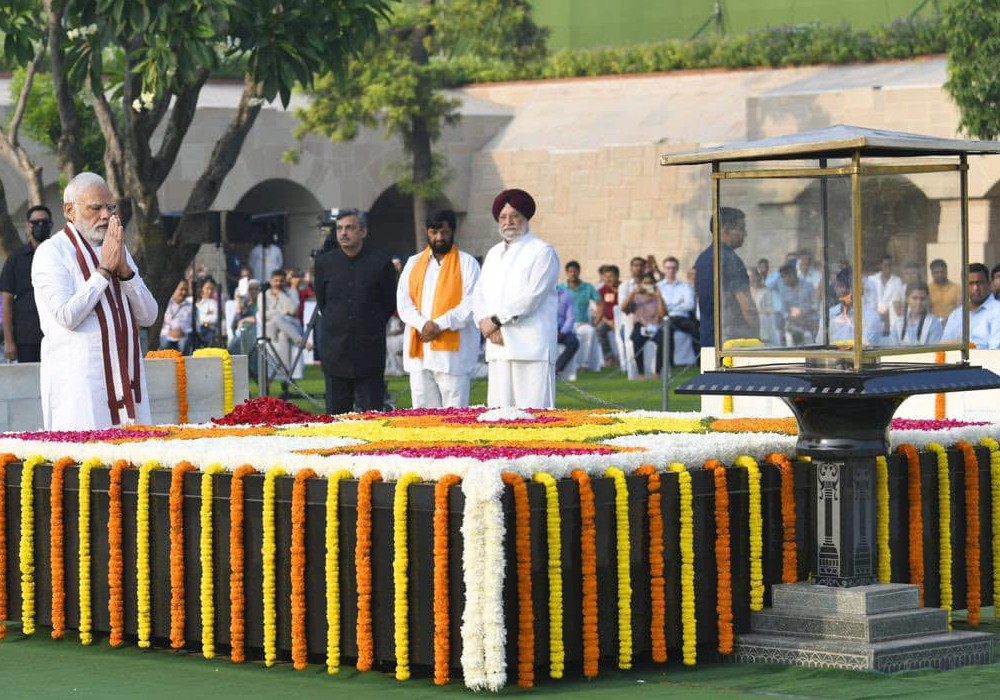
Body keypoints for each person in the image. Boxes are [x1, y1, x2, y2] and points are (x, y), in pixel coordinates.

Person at [32, 171, 158, 430]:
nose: (105, 216)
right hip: (81, 393)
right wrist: (103, 272)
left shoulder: (115, 249)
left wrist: (125, 272)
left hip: (127, 386)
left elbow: (149, 316)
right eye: (95, 208)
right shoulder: (51, 253)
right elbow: (67, 316)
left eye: (109, 208)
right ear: (70, 211)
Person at [473, 188, 559, 409]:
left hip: (532, 348)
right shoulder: (492, 254)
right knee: (499, 417)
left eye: (514, 216)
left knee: (535, 418)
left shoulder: (542, 251)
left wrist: (495, 321)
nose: (508, 222)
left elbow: (532, 297)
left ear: (526, 218)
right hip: (498, 345)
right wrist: (485, 325)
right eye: (503, 217)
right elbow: (479, 293)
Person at [314, 208, 397, 413]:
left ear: (363, 232)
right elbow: (323, 302)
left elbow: (388, 302)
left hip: (369, 350)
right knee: (336, 419)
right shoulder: (324, 263)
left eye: (350, 228)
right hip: (335, 352)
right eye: (340, 228)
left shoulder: (381, 263)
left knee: (373, 416)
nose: (343, 233)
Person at [396, 209, 481, 408]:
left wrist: (439, 325)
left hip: (452, 358)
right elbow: (403, 302)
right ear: (427, 232)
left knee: (455, 416)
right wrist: (423, 324)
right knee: (423, 415)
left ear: (453, 231)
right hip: (420, 353)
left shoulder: (467, 264)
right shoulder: (413, 262)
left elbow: (471, 305)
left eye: (444, 232)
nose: (439, 237)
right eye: (434, 232)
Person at [694, 206, 759, 348]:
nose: (745, 234)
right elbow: (746, 305)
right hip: (733, 340)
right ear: (725, 229)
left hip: (709, 337)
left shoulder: (702, 259)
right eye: (741, 228)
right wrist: (756, 336)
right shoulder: (730, 259)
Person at [1, 205, 52, 363]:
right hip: (27, 338)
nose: (40, 226)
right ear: (28, 226)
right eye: (35, 222)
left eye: (44, 222)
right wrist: (9, 341)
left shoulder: (62, 256)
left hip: (57, 336)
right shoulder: (15, 260)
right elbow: (7, 302)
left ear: (51, 224)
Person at [259, 268, 307, 394]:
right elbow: (264, 314)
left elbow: (293, 310)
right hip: (271, 329)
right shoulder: (263, 295)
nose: (278, 283)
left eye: (281, 281)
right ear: (271, 281)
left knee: (283, 335)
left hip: (286, 329)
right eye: (276, 281)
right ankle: (301, 341)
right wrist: (280, 314)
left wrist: (280, 294)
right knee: (277, 318)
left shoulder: (289, 292)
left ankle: (286, 374)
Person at [942, 263, 1000, 349]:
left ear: (989, 284)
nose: (975, 288)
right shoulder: (956, 315)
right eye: (971, 283)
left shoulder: (997, 311)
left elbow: (995, 350)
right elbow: (943, 346)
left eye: (980, 283)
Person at [558, 260, 600, 373]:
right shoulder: (560, 288)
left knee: (590, 331)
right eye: (570, 271)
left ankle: (584, 365)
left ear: (579, 272)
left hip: (582, 323)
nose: (572, 273)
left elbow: (600, 303)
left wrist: (597, 321)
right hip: (564, 325)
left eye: (575, 271)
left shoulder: (588, 287)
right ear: (566, 273)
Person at [623, 271, 667, 376]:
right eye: (645, 283)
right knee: (636, 339)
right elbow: (624, 308)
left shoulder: (658, 298)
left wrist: (659, 296)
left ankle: (657, 372)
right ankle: (641, 373)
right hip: (640, 325)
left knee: (663, 340)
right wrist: (633, 293)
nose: (647, 285)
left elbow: (662, 315)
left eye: (650, 283)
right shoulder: (636, 298)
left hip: (654, 326)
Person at [656, 255, 699, 363]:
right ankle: (668, 363)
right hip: (664, 317)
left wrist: (668, 306)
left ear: (677, 269)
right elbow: (656, 305)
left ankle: (700, 362)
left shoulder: (685, 286)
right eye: (668, 268)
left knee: (697, 330)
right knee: (666, 332)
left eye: (673, 268)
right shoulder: (658, 287)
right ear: (664, 269)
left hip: (682, 317)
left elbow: (689, 304)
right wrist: (678, 303)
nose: (671, 270)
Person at [827, 266, 882, 347]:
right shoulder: (830, 314)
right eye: (838, 286)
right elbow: (821, 342)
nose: (840, 291)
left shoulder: (871, 317)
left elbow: (866, 345)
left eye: (843, 287)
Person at [774, 261, 818, 345]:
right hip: (794, 328)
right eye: (781, 277)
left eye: (784, 276)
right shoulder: (784, 291)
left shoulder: (808, 286)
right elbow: (784, 310)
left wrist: (804, 314)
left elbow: (815, 305)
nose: (783, 279)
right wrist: (789, 317)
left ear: (792, 275)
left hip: (810, 325)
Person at [868, 255, 905, 337]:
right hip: (874, 316)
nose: (887, 267)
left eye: (890, 265)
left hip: (890, 317)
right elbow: (868, 299)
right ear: (880, 266)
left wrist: (886, 311)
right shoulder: (871, 279)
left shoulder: (897, 281)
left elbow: (898, 299)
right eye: (885, 265)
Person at [160, 279, 193, 352]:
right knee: (165, 345)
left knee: (184, 344)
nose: (184, 292)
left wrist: (183, 332)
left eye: (186, 290)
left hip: (184, 336)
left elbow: (194, 326)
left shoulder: (191, 306)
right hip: (166, 335)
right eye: (181, 289)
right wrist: (170, 333)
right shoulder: (165, 304)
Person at [595, 264, 619, 366]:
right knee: (600, 330)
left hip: (621, 320)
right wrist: (609, 322)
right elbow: (598, 310)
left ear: (617, 276)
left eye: (611, 276)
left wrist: (617, 321)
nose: (608, 279)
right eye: (606, 277)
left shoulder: (622, 289)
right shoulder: (600, 291)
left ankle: (622, 357)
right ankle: (609, 357)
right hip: (607, 321)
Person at [555, 286, 579, 377]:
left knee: (574, 342)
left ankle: (557, 368)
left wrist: (562, 332)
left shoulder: (566, 296)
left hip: (561, 329)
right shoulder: (541, 295)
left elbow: (570, 318)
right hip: (544, 330)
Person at [195, 278, 220, 347]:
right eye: (207, 288)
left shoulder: (214, 303)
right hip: (197, 330)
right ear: (201, 289)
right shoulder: (196, 303)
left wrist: (203, 321)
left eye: (211, 289)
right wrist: (207, 316)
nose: (210, 291)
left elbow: (215, 318)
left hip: (209, 330)